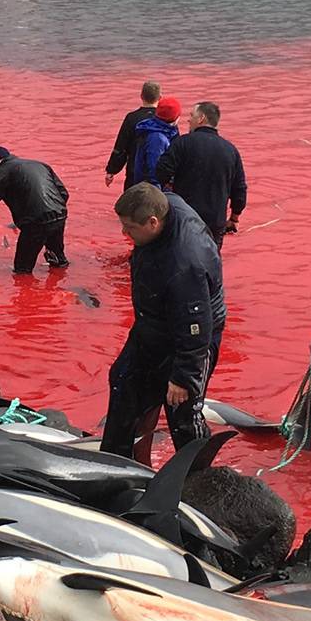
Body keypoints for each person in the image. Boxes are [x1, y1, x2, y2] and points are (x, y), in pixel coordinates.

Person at [100, 183, 225, 461]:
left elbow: (196, 327)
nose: (124, 233)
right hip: (153, 324)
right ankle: (117, 461)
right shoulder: (165, 202)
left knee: (182, 413)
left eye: (130, 228)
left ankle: (198, 478)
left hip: (191, 338)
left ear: (153, 222)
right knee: (122, 380)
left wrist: (183, 377)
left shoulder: (184, 264)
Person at [155, 100, 247, 248]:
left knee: (181, 260)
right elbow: (239, 189)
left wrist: (170, 187)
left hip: (184, 217)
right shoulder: (231, 150)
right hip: (215, 221)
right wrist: (234, 218)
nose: (188, 119)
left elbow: (161, 171)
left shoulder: (182, 143)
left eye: (192, 115)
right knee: (210, 263)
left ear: (201, 118)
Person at [0, 146, 69, 274]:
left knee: (22, 270)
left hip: (35, 222)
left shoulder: (4, 170)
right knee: (58, 260)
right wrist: (53, 212)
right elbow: (63, 193)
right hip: (59, 216)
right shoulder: (40, 164)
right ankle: (63, 285)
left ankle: (28, 290)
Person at [103, 80, 162, 189]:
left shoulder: (132, 118)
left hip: (134, 174)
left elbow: (121, 147)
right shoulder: (165, 119)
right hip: (158, 176)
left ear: (141, 96)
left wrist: (111, 170)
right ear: (160, 97)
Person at [129, 96, 180, 188]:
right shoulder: (157, 139)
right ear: (175, 118)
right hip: (153, 191)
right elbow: (154, 171)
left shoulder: (153, 129)